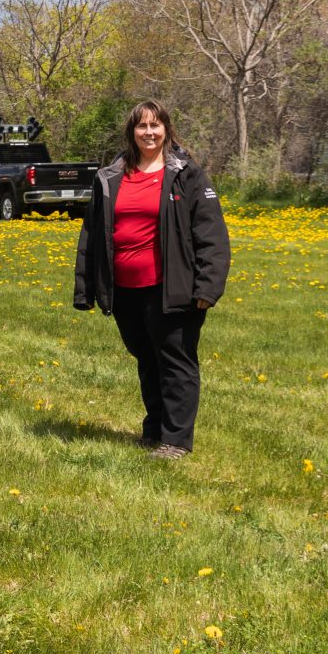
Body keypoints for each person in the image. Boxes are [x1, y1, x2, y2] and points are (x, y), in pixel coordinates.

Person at [74, 101, 231, 459]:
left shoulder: (186, 174)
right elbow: (93, 234)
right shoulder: (111, 176)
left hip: (171, 287)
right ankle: (155, 430)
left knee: (176, 361)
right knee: (146, 358)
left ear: (167, 130)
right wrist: (86, 287)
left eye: (155, 125)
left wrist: (207, 287)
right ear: (131, 132)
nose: (149, 132)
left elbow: (212, 235)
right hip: (126, 290)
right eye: (141, 126)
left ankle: (176, 441)